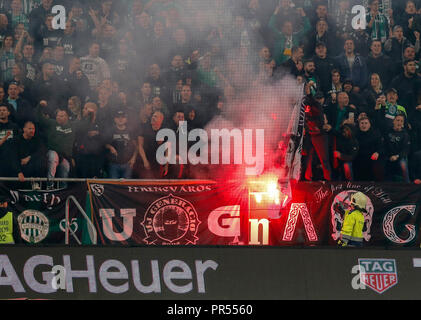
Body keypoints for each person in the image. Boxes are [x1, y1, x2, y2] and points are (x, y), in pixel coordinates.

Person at [105, 110, 137, 179]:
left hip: (127, 164)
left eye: (123, 117)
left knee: (126, 187)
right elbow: (104, 144)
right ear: (114, 119)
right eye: (118, 117)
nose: (120, 119)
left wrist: (133, 158)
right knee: (114, 186)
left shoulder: (130, 130)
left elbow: (136, 146)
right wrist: (110, 147)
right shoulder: (110, 130)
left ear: (126, 119)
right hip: (114, 164)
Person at [384, 114, 411, 182]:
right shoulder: (387, 131)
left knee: (403, 166)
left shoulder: (405, 134)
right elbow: (385, 144)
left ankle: (407, 184)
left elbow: (406, 150)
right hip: (388, 155)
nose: (399, 122)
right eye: (398, 120)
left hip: (400, 156)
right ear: (394, 121)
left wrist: (397, 156)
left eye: (401, 121)